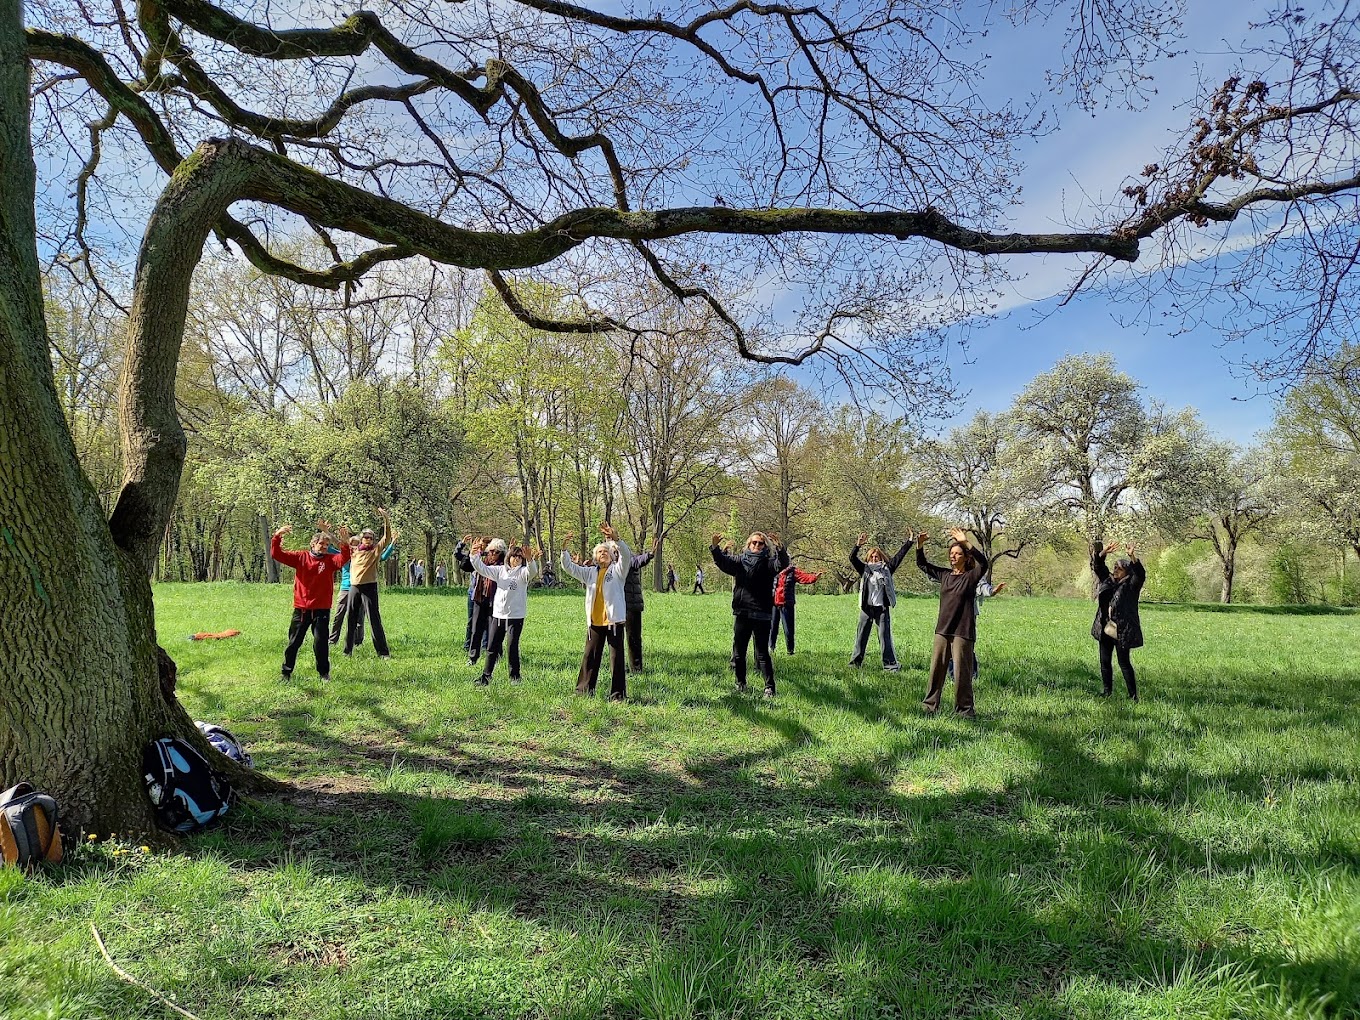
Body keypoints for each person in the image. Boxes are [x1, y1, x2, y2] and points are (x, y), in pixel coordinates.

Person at [917, 527, 988, 716]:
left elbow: (984, 562)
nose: (953, 557)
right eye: (951, 554)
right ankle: (929, 706)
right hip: (943, 630)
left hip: (963, 631)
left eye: (958, 554)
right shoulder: (945, 576)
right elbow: (923, 564)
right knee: (936, 671)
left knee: (962, 674)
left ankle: (964, 711)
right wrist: (920, 545)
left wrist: (965, 541)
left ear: (965, 557)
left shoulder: (971, 577)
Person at [711, 530, 789, 697]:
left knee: (762, 654)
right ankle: (741, 684)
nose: (756, 545)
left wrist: (780, 549)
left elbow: (782, 564)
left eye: (760, 543)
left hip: (762, 614)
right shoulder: (740, 561)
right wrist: (715, 548)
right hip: (743, 612)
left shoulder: (769, 563)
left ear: (764, 546)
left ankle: (769, 688)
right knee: (739, 653)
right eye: (753, 542)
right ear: (748, 544)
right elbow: (723, 563)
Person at [271, 523, 350, 683]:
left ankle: (324, 674)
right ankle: (286, 673)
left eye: (327, 545)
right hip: (302, 609)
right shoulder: (301, 557)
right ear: (313, 544)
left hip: (321, 610)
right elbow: (277, 554)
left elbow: (344, 559)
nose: (324, 547)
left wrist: (344, 543)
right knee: (294, 642)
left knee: (321, 644)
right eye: (321, 544)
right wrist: (277, 535)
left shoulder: (330, 560)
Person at [560, 523, 632, 701]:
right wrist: (564, 550)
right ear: (595, 557)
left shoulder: (617, 571)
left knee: (616, 660)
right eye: (600, 552)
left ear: (611, 555)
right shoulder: (590, 573)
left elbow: (626, 556)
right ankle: (583, 691)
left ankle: (618, 695)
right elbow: (569, 568)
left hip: (613, 621)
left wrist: (616, 540)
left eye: (606, 551)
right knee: (590, 657)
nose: (603, 554)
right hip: (595, 622)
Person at [470, 542, 541, 686]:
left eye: (520, 557)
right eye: (514, 556)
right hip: (498, 615)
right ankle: (486, 676)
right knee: (492, 647)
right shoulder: (500, 571)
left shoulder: (522, 573)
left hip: (515, 616)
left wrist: (530, 560)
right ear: (508, 557)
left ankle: (515, 677)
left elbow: (531, 572)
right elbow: (482, 569)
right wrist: (474, 555)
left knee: (512, 647)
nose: (516, 559)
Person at [848, 532, 913, 671]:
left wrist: (909, 541)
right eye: (871, 556)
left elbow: (899, 557)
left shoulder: (887, 569)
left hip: (881, 609)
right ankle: (855, 664)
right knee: (861, 636)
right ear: (868, 558)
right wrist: (858, 545)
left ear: (881, 557)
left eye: (876, 556)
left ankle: (890, 666)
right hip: (866, 608)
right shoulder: (865, 570)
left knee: (884, 637)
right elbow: (852, 558)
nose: (874, 558)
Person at [1091, 541, 1144, 701]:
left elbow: (1140, 575)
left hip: (1122, 629)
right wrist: (1102, 553)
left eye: (1118, 568)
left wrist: (1132, 557)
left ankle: (1133, 696)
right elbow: (1098, 566)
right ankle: (1107, 692)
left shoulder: (1131, 586)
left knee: (1124, 662)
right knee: (1105, 661)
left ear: (1126, 572)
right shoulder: (1108, 580)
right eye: (1114, 567)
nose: (1115, 570)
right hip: (1106, 625)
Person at [343, 507, 394, 659]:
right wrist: (327, 532)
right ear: (361, 539)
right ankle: (347, 650)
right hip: (354, 588)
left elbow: (387, 537)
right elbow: (338, 544)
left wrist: (386, 519)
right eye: (366, 537)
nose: (368, 540)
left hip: (369, 587)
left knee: (374, 619)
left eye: (371, 537)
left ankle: (383, 652)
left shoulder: (376, 550)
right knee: (351, 619)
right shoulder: (354, 550)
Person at [948, 577, 1006, 680]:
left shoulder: (974, 574)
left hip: (968, 616)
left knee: (967, 645)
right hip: (950, 615)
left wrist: (992, 591)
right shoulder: (951, 573)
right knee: (951, 646)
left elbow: (983, 587)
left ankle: (972, 676)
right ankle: (953, 677)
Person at [621, 537, 659, 673]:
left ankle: (636, 668)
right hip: (616, 605)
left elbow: (638, 561)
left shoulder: (629, 559)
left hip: (632, 604)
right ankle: (620, 667)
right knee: (617, 639)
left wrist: (650, 554)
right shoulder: (610, 562)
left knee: (634, 638)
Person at [769, 561, 821, 655]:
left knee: (788, 629)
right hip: (774, 604)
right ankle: (770, 648)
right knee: (772, 628)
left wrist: (814, 577)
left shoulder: (793, 572)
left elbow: (804, 577)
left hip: (787, 604)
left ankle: (790, 650)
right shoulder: (773, 570)